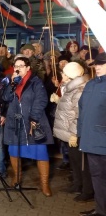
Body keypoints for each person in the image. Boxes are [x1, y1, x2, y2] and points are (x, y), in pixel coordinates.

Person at [2, 57, 54, 197]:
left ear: (28, 68)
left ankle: (44, 184)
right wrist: (12, 83)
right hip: (15, 122)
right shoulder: (11, 80)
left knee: (40, 152)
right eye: (16, 65)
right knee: (14, 150)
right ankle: (16, 177)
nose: (18, 68)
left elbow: (41, 100)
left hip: (32, 122)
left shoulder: (36, 82)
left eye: (21, 65)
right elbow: (6, 98)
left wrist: (34, 118)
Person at [53, 62, 94, 203]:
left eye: (64, 73)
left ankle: (87, 190)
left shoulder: (79, 90)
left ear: (72, 75)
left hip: (75, 134)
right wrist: (59, 100)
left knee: (82, 163)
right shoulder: (71, 88)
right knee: (74, 161)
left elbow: (78, 114)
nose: (62, 75)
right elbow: (68, 108)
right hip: (69, 133)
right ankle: (78, 184)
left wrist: (74, 133)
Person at [77, 53, 106, 216]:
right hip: (90, 139)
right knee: (97, 177)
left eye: (102, 64)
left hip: (103, 137)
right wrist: (80, 133)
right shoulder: (91, 84)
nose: (98, 67)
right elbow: (82, 109)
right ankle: (101, 210)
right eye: (97, 64)